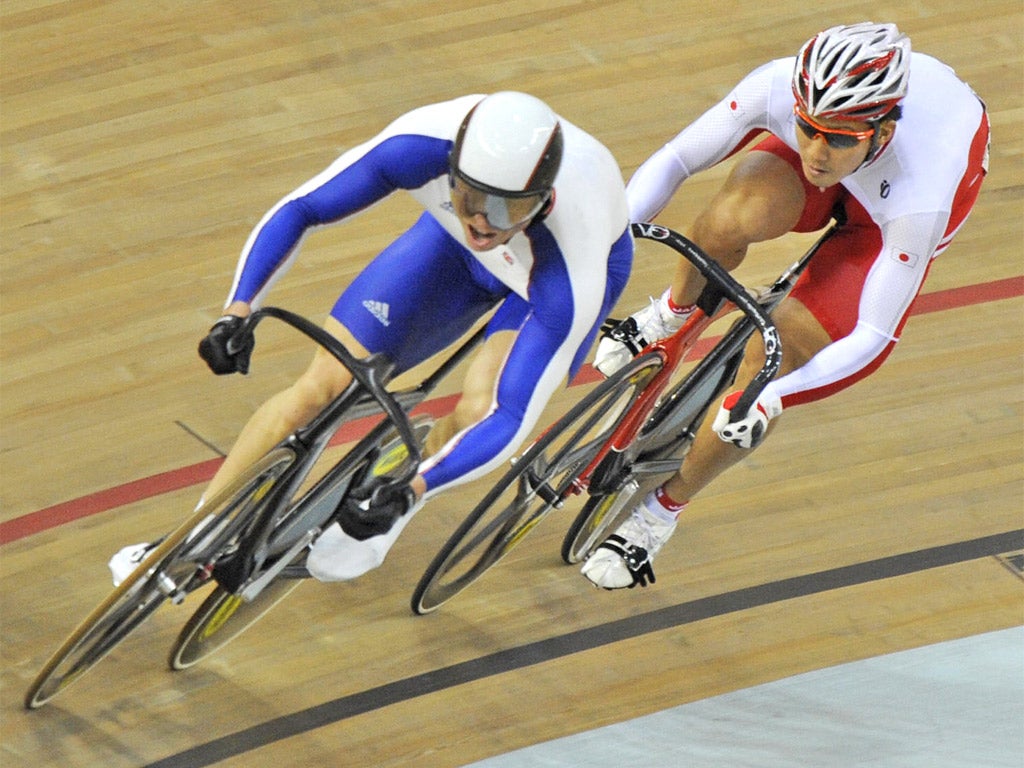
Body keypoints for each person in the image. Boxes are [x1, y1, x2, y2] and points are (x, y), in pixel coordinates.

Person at [109, 91, 633, 584]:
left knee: (480, 405)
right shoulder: (420, 144)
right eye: (469, 197)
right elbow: (302, 208)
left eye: (504, 209)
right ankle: (191, 537)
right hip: (449, 251)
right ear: (452, 166)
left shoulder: (572, 263)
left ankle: (403, 489)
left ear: (543, 201)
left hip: (539, 278)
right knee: (319, 387)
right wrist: (237, 311)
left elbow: (513, 416)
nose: (481, 220)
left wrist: (412, 491)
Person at [581, 22, 990, 589]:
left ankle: (659, 514)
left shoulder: (925, 192)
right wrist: (612, 233)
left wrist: (772, 398)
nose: (817, 152)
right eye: (807, 129)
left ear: (881, 129)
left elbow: (873, 337)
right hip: (868, 166)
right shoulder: (779, 87)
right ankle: (671, 317)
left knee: (774, 359)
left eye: (839, 138)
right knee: (730, 216)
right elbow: (676, 159)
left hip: (885, 220)